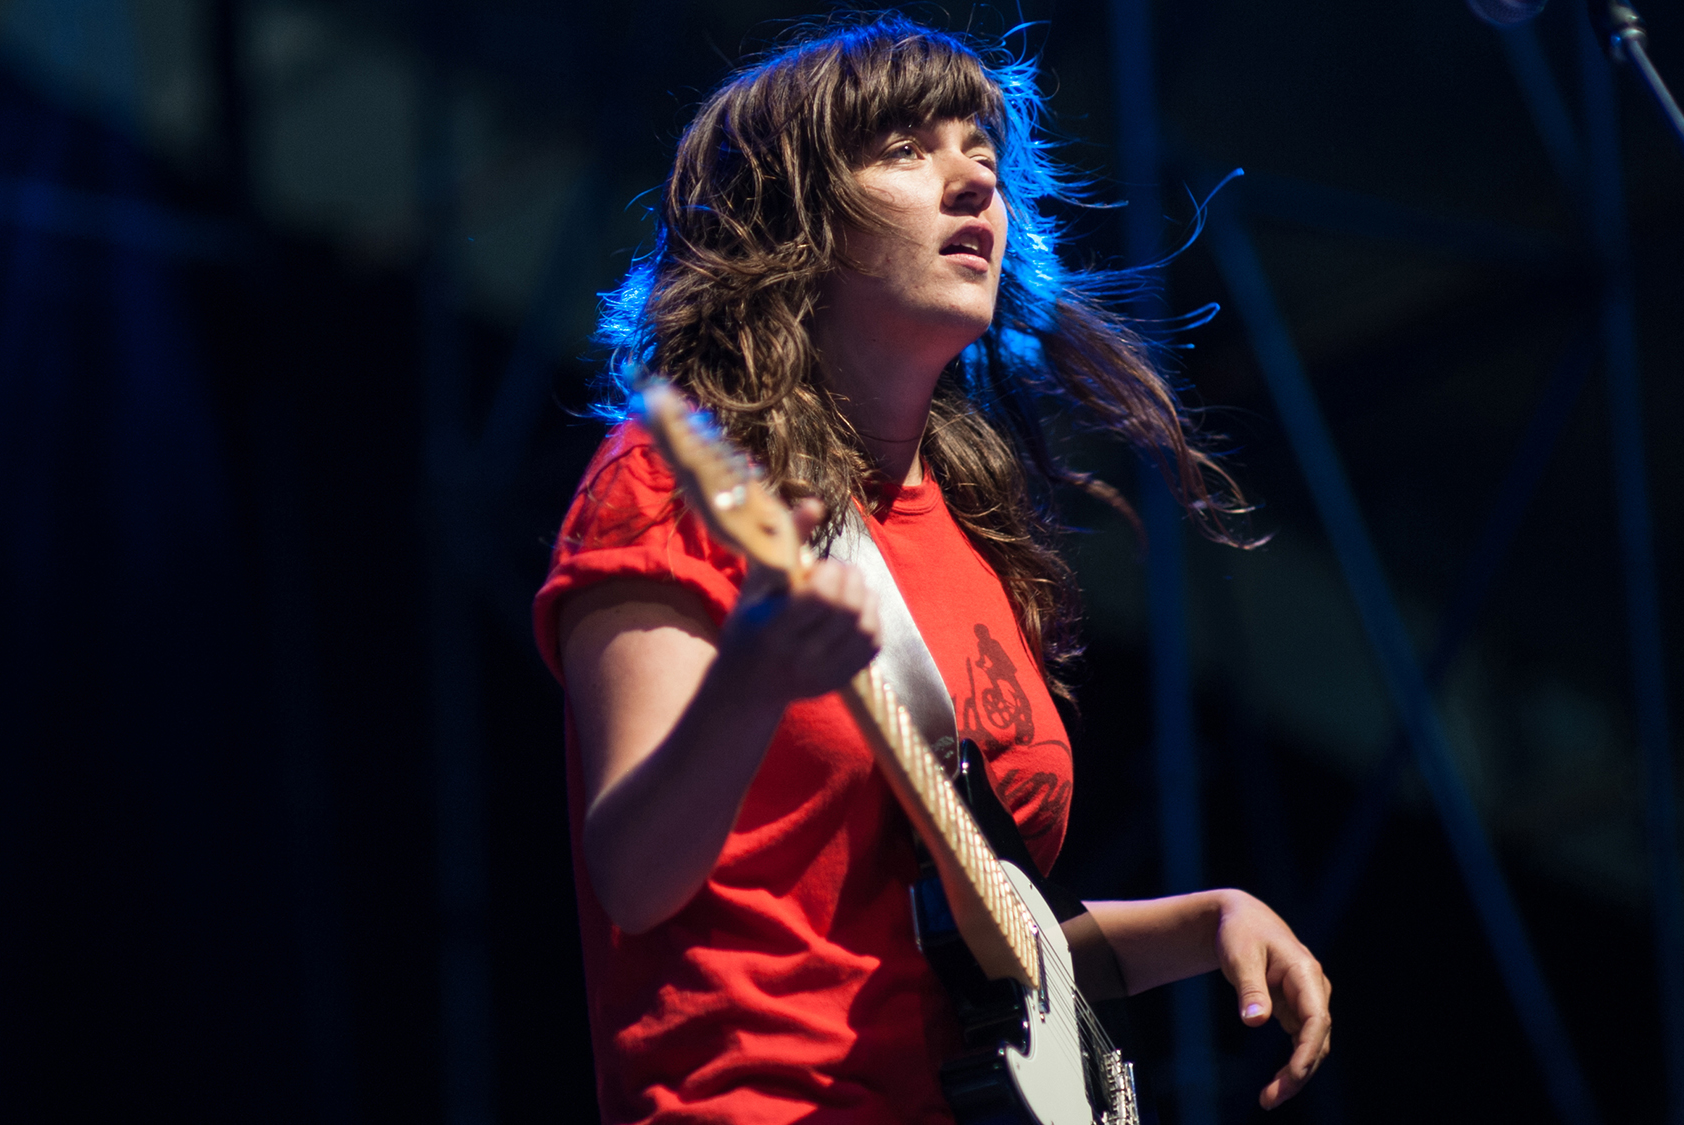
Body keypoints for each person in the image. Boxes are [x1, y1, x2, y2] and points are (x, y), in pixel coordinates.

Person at [535, 15, 1331, 1124]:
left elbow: (969, 943)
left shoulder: (968, 533)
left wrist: (1201, 923)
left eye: (981, 154)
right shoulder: (676, 486)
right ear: (791, 218)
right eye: (905, 149)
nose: (973, 183)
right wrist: (751, 679)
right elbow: (631, 874)